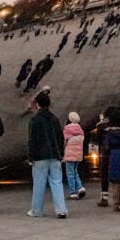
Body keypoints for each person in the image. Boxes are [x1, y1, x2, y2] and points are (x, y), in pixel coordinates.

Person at [26, 90, 67, 218]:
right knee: (57, 182)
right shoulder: (55, 119)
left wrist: (30, 156)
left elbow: (32, 140)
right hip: (55, 155)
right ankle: (61, 210)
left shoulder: (35, 120)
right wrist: (61, 154)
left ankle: (36, 210)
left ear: (37, 104)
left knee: (39, 183)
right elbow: (60, 138)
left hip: (40, 156)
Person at [63, 111, 86, 199]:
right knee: (75, 172)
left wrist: (62, 152)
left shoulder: (67, 129)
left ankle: (73, 192)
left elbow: (64, 141)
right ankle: (80, 187)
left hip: (69, 154)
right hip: (78, 154)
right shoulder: (81, 130)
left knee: (70, 173)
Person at [95, 110, 111, 207]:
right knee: (119, 176)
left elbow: (98, 139)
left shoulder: (100, 126)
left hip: (105, 152)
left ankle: (104, 198)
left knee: (104, 175)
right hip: (117, 152)